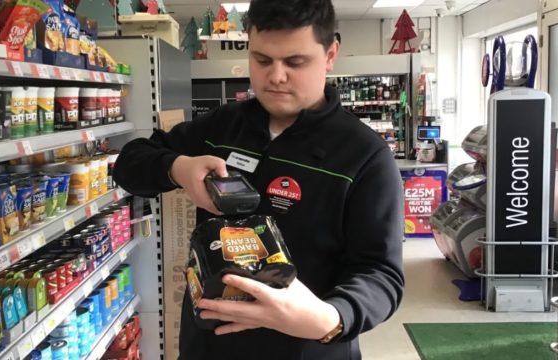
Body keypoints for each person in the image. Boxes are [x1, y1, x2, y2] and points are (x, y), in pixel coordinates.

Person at [113, 0, 404, 358]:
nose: (276, 76)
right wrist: (177, 168)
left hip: (306, 349)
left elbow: (381, 274)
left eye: (295, 62)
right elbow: (129, 164)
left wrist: (331, 316)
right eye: (262, 60)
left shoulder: (365, 155)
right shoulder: (221, 126)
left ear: (331, 54)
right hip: (208, 345)